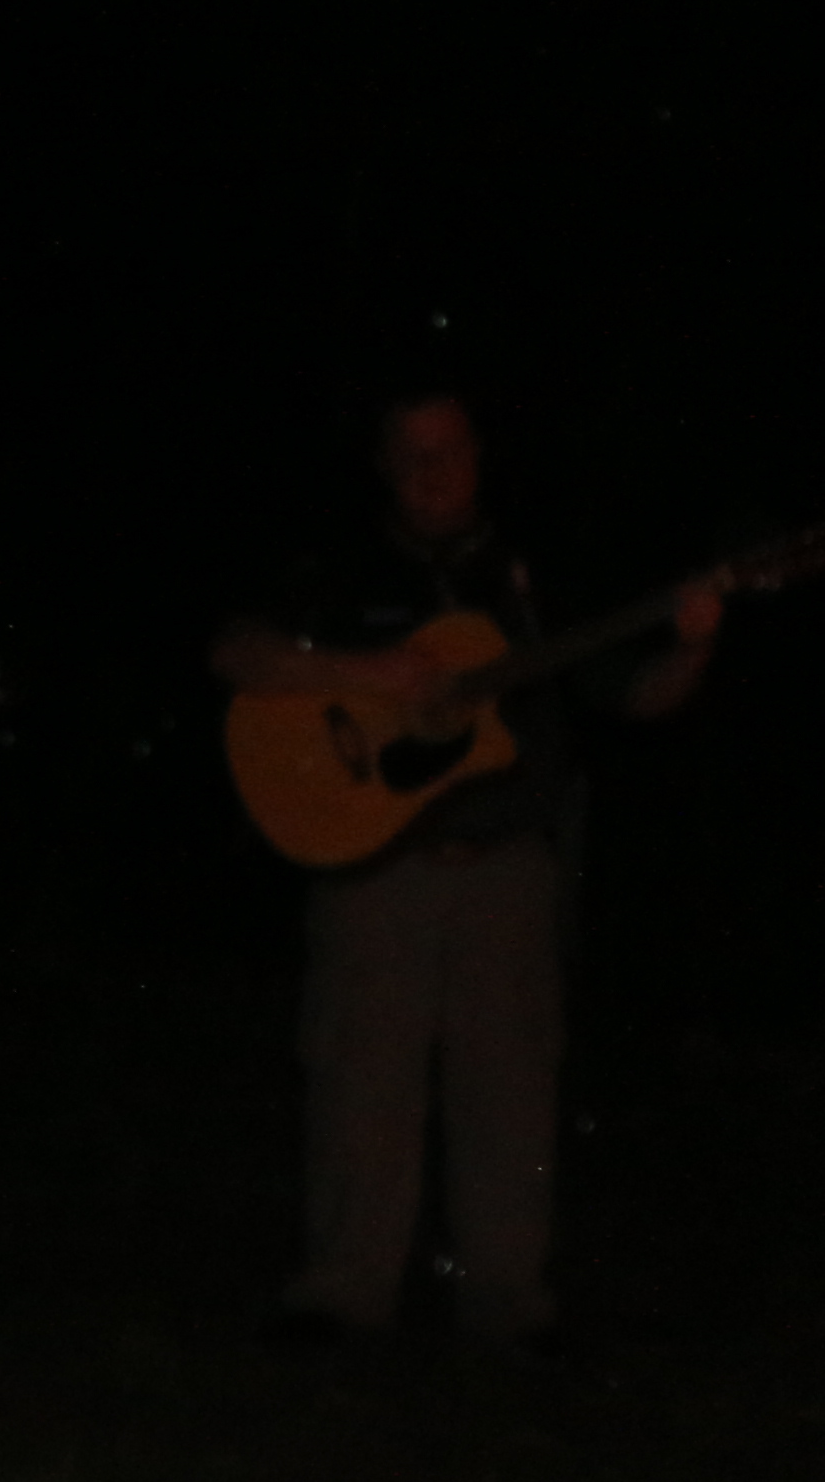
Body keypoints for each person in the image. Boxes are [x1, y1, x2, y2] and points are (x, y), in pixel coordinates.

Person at [210, 388, 713, 1354]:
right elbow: (239, 653)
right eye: (411, 453)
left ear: (479, 456)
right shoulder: (341, 566)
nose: (431, 470)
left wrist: (696, 645)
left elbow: (634, 695)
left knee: (512, 1086)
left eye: (447, 449)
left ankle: (505, 1299)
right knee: (360, 1082)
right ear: (383, 466)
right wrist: (369, 675)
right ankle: (346, 1291)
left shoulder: (530, 579)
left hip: (507, 869)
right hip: (373, 868)